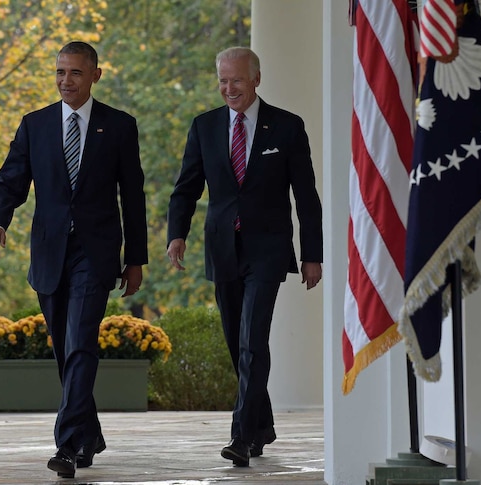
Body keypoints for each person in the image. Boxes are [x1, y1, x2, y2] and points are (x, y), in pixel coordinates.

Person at [0, 41, 148, 479]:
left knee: (80, 341)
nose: (65, 81)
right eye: (59, 72)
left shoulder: (118, 126)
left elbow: (132, 196)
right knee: (65, 346)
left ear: (95, 74)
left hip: (95, 255)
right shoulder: (34, 125)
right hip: (50, 252)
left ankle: (68, 445)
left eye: (75, 73)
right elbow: (10, 181)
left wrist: (135, 259)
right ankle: (88, 432)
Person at [166, 46, 323, 467]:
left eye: (236, 80)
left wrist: (312, 255)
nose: (228, 88)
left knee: (253, 339)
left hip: (268, 249)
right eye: (222, 80)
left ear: (256, 79)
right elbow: (186, 188)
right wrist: (176, 236)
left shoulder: (287, 127)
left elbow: (306, 196)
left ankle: (240, 436)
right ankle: (261, 426)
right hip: (222, 247)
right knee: (237, 342)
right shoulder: (204, 126)